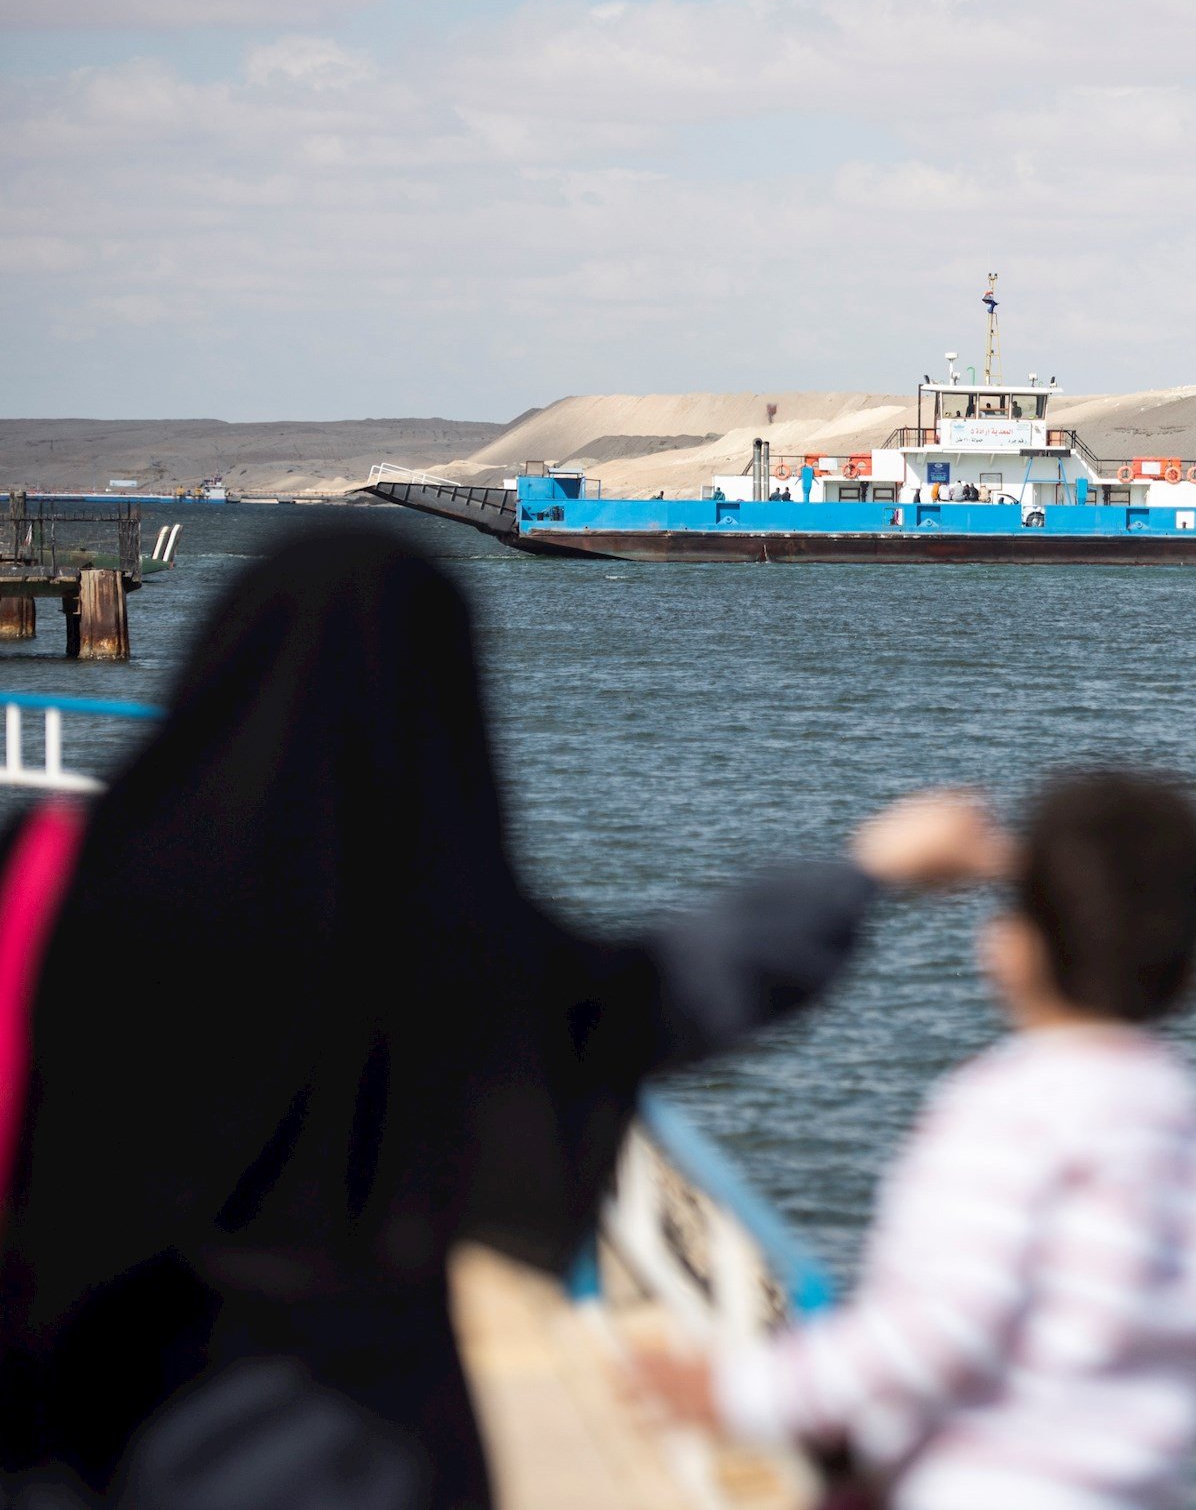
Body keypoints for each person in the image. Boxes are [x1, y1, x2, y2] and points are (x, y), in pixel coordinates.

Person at [0, 528, 1004, 1509]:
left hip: (65, 1414)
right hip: (340, 1445)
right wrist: (868, 872)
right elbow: (674, 989)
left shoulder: (45, 882)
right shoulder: (444, 955)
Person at [640, 768, 1196, 1510]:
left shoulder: (1009, 1107)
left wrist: (745, 1391)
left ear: (1009, 947)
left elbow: (940, 1326)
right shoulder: (1195, 1126)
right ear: (1194, 971)